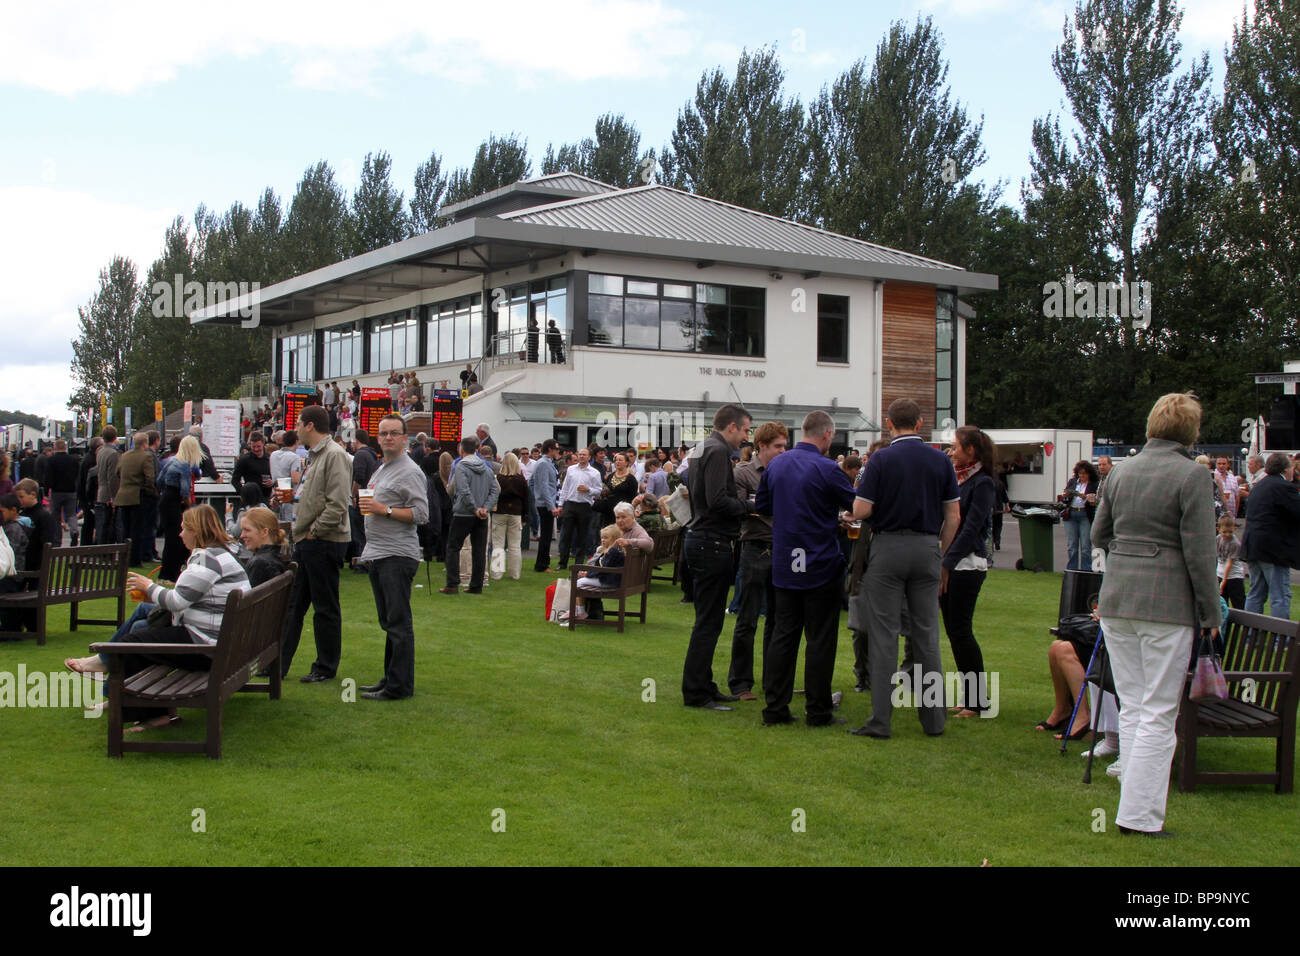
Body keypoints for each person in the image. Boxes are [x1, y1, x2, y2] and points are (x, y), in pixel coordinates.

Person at [1092, 392, 1221, 837]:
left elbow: (1098, 532)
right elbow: (1202, 553)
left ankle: (1135, 797)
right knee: (1159, 711)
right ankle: (1140, 816)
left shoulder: (1120, 472)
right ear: (1191, 431)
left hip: (1117, 600)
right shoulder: (1192, 476)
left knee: (1134, 704)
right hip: (1166, 605)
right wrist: (1210, 612)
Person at [66, 504, 250, 731]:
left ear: (196, 531)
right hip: (220, 639)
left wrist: (149, 587)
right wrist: (154, 593)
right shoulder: (221, 554)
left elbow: (178, 601)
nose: (180, 534)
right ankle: (105, 667)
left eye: (184, 529)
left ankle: (138, 705)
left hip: (207, 646)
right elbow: (191, 595)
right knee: (144, 618)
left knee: (131, 644)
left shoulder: (205, 559)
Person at [849, 398, 960, 739]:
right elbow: (954, 515)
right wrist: (939, 548)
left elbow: (861, 509)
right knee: (926, 635)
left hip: (889, 547)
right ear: (921, 421)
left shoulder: (881, 459)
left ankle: (881, 721)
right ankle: (934, 720)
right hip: (927, 547)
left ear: (889, 423)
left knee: (883, 636)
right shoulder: (941, 459)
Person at [757, 411, 856, 727]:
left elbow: (762, 507)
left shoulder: (776, 465)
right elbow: (857, 505)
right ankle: (818, 710)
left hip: (786, 561)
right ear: (827, 435)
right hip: (820, 563)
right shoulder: (828, 468)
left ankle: (775, 707)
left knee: (783, 636)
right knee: (820, 639)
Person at [681, 404, 752, 712]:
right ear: (732, 427)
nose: (747, 437)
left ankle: (704, 685)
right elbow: (717, 500)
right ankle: (697, 692)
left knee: (706, 621)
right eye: (747, 430)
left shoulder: (702, 447)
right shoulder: (718, 450)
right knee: (708, 624)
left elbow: (690, 484)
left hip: (700, 539)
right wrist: (750, 505)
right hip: (711, 541)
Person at [356, 414, 428, 700]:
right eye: (383, 433)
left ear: (404, 438)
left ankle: (398, 687)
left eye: (393, 433)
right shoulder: (382, 467)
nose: (388, 438)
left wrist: (382, 509)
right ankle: (389, 679)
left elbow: (421, 515)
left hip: (397, 555)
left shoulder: (409, 471)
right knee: (389, 622)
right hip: (379, 553)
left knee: (398, 623)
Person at [280, 404, 352, 683]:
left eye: (298, 423)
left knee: (325, 607)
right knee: (294, 605)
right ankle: (277, 663)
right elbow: (316, 496)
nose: (295, 429)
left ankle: (325, 667)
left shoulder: (335, 456)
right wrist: (290, 500)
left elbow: (338, 503)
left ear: (310, 425)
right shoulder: (315, 456)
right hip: (309, 539)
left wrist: (315, 531)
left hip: (323, 541)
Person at [939, 426, 998, 717]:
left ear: (971, 450)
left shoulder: (983, 483)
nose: (952, 451)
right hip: (952, 560)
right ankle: (969, 696)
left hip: (967, 563)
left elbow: (972, 527)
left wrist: (947, 562)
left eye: (956, 446)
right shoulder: (959, 480)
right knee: (954, 632)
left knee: (961, 630)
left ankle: (978, 701)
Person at [1240, 452, 1300, 620]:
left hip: (1253, 546)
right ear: (1286, 469)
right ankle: (1280, 639)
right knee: (1280, 595)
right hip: (1273, 549)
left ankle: (1250, 634)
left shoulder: (1260, 485)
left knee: (1255, 593)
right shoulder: (1283, 487)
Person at [440, 436, 498, 595]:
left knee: (453, 547)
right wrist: (485, 508)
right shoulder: (487, 468)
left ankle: (452, 584)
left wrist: (474, 508)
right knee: (479, 551)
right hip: (482, 515)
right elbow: (495, 490)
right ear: (477, 449)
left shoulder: (460, 466)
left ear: (461, 450)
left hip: (463, 513)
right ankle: (476, 585)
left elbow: (463, 490)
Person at [156, 437, 203, 582]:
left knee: (171, 538)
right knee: (176, 538)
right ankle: (171, 574)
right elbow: (184, 490)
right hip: (174, 499)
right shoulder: (184, 465)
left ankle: (166, 573)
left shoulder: (170, 460)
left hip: (166, 498)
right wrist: (190, 508)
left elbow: (159, 480)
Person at [559, 524, 624, 622]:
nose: (602, 540)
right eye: (602, 537)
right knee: (580, 580)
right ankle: (578, 610)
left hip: (609, 582)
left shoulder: (613, 551)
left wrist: (587, 574)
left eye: (606, 538)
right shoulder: (610, 550)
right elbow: (601, 568)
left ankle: (579, 612)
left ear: (615, 538)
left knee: (578, 583)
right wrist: (588, 572)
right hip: (609, 579)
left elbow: (604, 569)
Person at [555, 447, 601, 571]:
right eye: (580, 454)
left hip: (585, 506)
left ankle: (578, 563)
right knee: (566, 535)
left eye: (584, 455)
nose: (581, 456)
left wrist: (588, 489)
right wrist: (560, 505)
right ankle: (562, 563)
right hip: (570, 504)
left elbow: (598, 491)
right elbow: (565, 487)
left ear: (589, 457)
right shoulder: (570, 469)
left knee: (582, 536)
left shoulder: (594, 473)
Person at [115, 433, 156, 566]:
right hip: (138, 496)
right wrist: (150, 491)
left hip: (123, 496)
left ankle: (124, 557)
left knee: (125, 529)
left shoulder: (124, 456)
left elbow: (117, 472)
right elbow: (150, 478)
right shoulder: (146, 456)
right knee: (137, 530)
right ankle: (135, 560)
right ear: (145, 443)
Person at [492, 452, 527, 580]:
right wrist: (525, 517)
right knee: (515, 545)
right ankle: (515, 574)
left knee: (498, 544)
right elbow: (526, 500)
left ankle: (497, 573)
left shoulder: (498, 478)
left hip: (500, 512)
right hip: (516, 513)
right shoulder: (521, 479)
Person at [1059, 460, 1100, 571]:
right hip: (1071, 514)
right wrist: (1066, 496)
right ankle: (1072, 569)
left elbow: (1097, 501)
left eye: (1084, 473)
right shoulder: (1073, 482)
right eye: (1080, 473)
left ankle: (1086, 569)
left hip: (1085, 515)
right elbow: (1064, 499)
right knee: (1072, 545)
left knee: (1086, 545)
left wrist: (1088, 498)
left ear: (1089, 474)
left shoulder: (1094, 484)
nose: (1082, 476)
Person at [237, 506, 290, 587]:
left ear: (264, 532)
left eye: (247, 530)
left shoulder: (260, 564)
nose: (242, 536)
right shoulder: (279, 557)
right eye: (242, 530)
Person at [529, 439, 560, 572]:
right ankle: (542, 565)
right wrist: (551, 506)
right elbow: (543, 486)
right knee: (546, 536)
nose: (558, 451)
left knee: (547, 535)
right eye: (556, 449)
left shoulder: (547, 463)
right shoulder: (543, 463)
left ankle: (542, 563)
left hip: (545, 502)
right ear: (550, 449)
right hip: (546, 504)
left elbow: (531, 482)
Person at [46, 439, 80, 547]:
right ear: (65, 447)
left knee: (55, 516)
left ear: (55, 448)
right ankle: (74, 531)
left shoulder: (51, 460)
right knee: (71, 514)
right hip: (71, 490)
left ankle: (57, 540)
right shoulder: (73, 460)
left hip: (56, 491)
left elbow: (48, 477)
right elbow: (77, 475)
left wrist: (47, 491)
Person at [94, 426, 121, 545]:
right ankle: (107, 553)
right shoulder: (113, 454)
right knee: (109, 526)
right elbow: (112, 477)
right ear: (115, 437)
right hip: (108, 496)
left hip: (101, 491)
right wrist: (114, 497)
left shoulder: (100, 452)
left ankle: (101, 552)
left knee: (102, 526)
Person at [231, 431, 273, 506]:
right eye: (253, 447)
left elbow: (276, 477)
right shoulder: (244, 460)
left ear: (263, 444)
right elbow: (235, 480)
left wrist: (272, 482)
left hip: (266, 498)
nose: (256, 449)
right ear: (250, 444)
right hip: (250, 500)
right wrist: (244, 493)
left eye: (258, 446)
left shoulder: (270, 458)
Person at [1216, 515, 1246, 610]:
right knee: (1222, 602)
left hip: (1234, 576)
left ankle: (1241, 624)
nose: (1228, 535)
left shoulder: (1235, 543)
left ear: (1235, 528)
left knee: (1238, 602)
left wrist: (1224, 581)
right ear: (1218, 529)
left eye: (1230, 532)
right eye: (1224, 532)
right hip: (1220, 574)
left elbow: (1229, 563)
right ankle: (1225, 623)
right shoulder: (1218, 539)